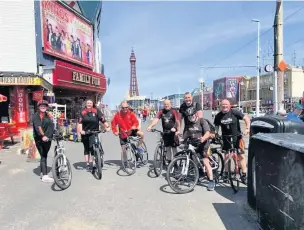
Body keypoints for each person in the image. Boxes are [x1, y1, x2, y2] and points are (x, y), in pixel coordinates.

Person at [214, 99, 250, 184]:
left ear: (229, 105)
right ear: (220, 106)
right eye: (223, 105)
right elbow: (216, 127)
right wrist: (216, 134)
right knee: (226, 156)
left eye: (226, 105)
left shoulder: (234, 112)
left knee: (241, 156)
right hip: (226, 138)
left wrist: (247, 128)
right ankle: (226, 174)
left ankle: (244, 175)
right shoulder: (218, 116)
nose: (224, 106)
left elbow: (246, 118)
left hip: (237, 138)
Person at [183, 112, 214, 191]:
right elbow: (185, 135)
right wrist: (181, 140)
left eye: (192, 115)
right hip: (194, 145)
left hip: (204, 145)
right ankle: (200, 174)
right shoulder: (188, 124)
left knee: (205, 162)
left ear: (195, 114)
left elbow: (207, 132)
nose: (190, 117)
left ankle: (211, 180)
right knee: (194, 160)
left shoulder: (202, 121)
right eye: (189, 116)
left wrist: (203, 138)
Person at [77, 99, 110, 172]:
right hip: (85, 132)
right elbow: (79, 123)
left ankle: (94, 162)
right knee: (87, 148)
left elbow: (103, 119)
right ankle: (87, 164)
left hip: (94, 131)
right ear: (86, 104)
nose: (89, 104)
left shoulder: (96, 111)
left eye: (90, 103)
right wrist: (80, 131)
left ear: (93, 104)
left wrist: (107, 127)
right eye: (88, 103)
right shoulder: (83, 112)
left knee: (92, 147)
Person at [147, 100, 181, 165]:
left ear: (170, 104)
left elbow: (177, 121)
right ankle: (170, 162)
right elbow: (156, 119)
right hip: (165, 132)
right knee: (168, 148)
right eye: (165, 104)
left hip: (173, 133)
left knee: (174, 148)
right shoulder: (161, 111)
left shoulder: (174, 111)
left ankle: (175, 162)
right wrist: (150, 126)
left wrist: (177, 130)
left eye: (168, 104)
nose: (166, 105)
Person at [32, 100, 54, 183]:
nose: (43, 107)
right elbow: (38, 127)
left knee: (44, 155)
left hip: (48, 138)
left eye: (44, 106)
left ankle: (42, 172)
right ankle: (45, 176)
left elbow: (51, 125)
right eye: (41, 106)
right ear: (38, 107)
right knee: (43, 155)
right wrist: (43, 136)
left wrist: (53, 134)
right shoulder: (36, 116)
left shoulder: (48, 115)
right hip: (40, 139)